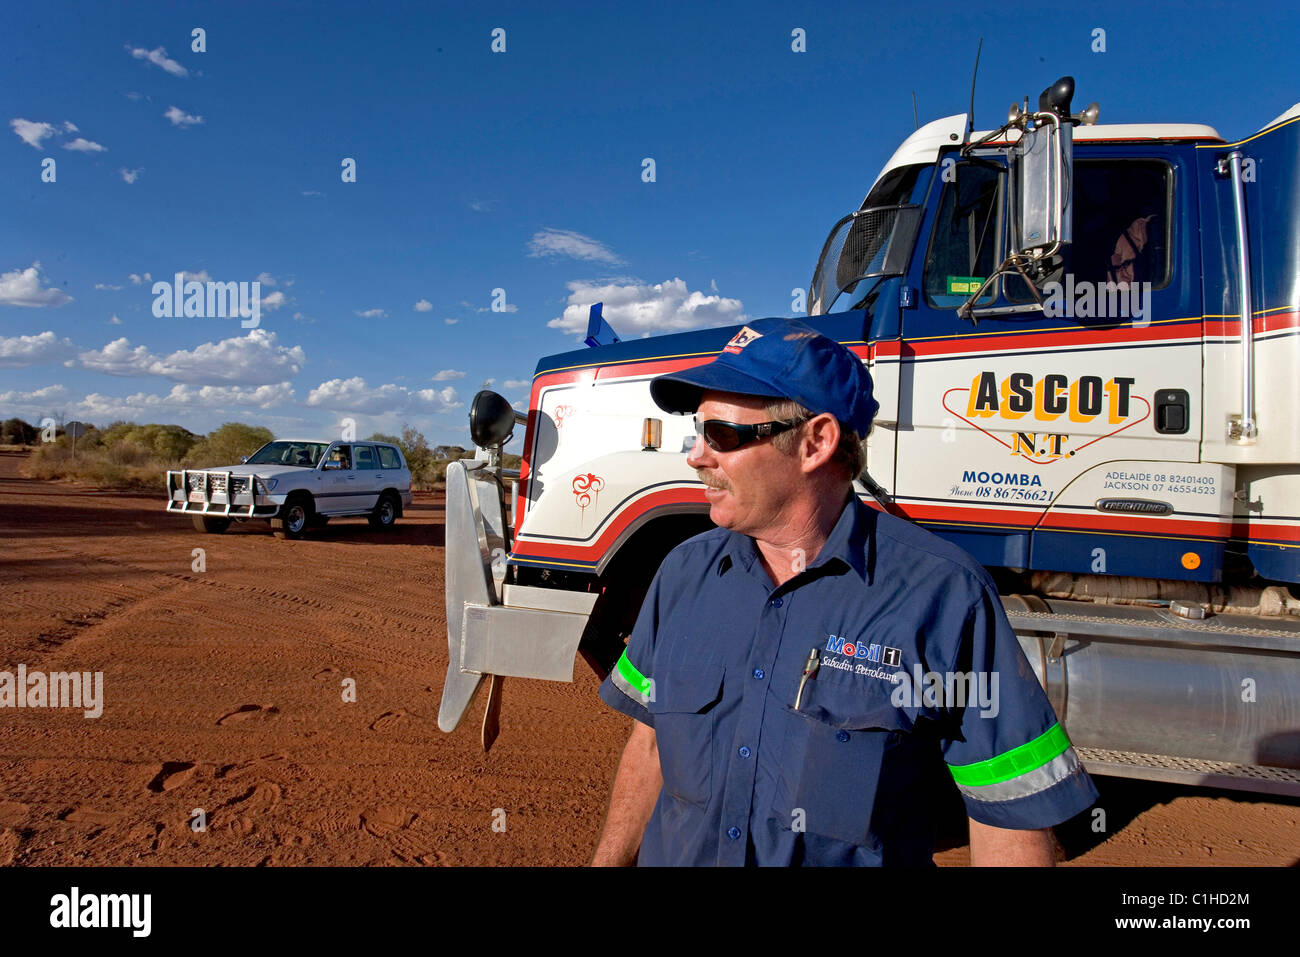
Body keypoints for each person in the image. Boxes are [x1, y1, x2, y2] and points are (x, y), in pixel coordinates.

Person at [591, 317, 1098, 866]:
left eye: (722, 435)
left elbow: (1007, 817)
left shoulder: (946, 597)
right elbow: (648, 743)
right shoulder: (683, 572)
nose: (696, 456)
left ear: (816, 442)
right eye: (697, 432)